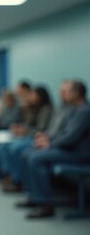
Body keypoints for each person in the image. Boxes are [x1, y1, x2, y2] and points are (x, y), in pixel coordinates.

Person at [17, 81, 90, 219]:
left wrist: (49, 144)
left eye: (67, 91)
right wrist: (47, 140)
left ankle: (45, 205)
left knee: (35, 158)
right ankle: (35, 197)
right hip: (69, 149)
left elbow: (70, 138)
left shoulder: (84, 111)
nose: (63, 94)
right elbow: (62, 133)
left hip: (79, 154)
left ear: (77, 93)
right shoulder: (74, 109)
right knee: (27, 153)